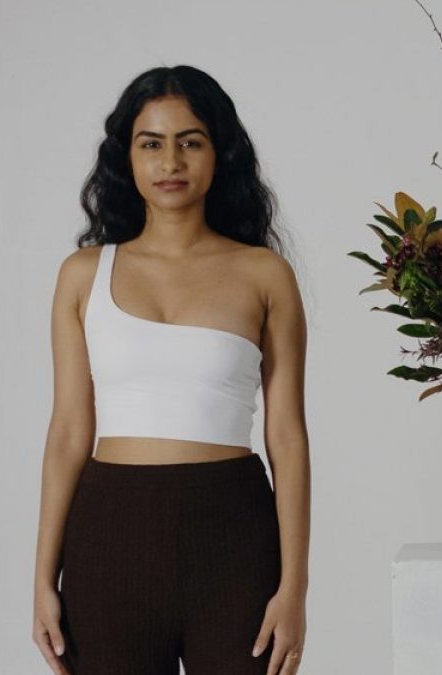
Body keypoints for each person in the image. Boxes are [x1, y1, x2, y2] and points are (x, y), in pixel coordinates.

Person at [31, 65, 310, 675]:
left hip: (233, 537)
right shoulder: (83, 275)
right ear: (126, 157)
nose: (171, 162)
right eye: (151, 144)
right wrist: (42, 580)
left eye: (191, 142)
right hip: (109, 538)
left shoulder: (265, 275)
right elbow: (69, 433)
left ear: (219, 152)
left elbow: (287, 437)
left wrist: (295, 587)